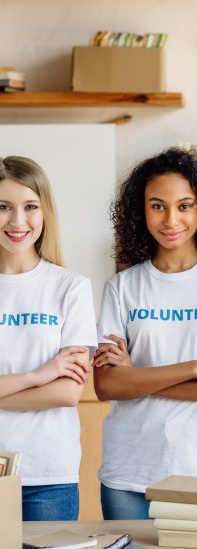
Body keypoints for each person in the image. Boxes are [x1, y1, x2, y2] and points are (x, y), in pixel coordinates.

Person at [93, 148, 197, 520]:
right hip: (129, 474)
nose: (171, 219)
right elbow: (106, 385)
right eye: (157, 206)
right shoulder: (122, 287)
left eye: (185, 205)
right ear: (141, 211)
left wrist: (135, 375)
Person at [0, 156, 96, 520]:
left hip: (49, 475)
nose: (17, 221)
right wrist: (36, 376)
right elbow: (51, 385)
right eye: (3, 207)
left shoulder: (71, 287)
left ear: (45, 212)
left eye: (30, 207)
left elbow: (67, 392)